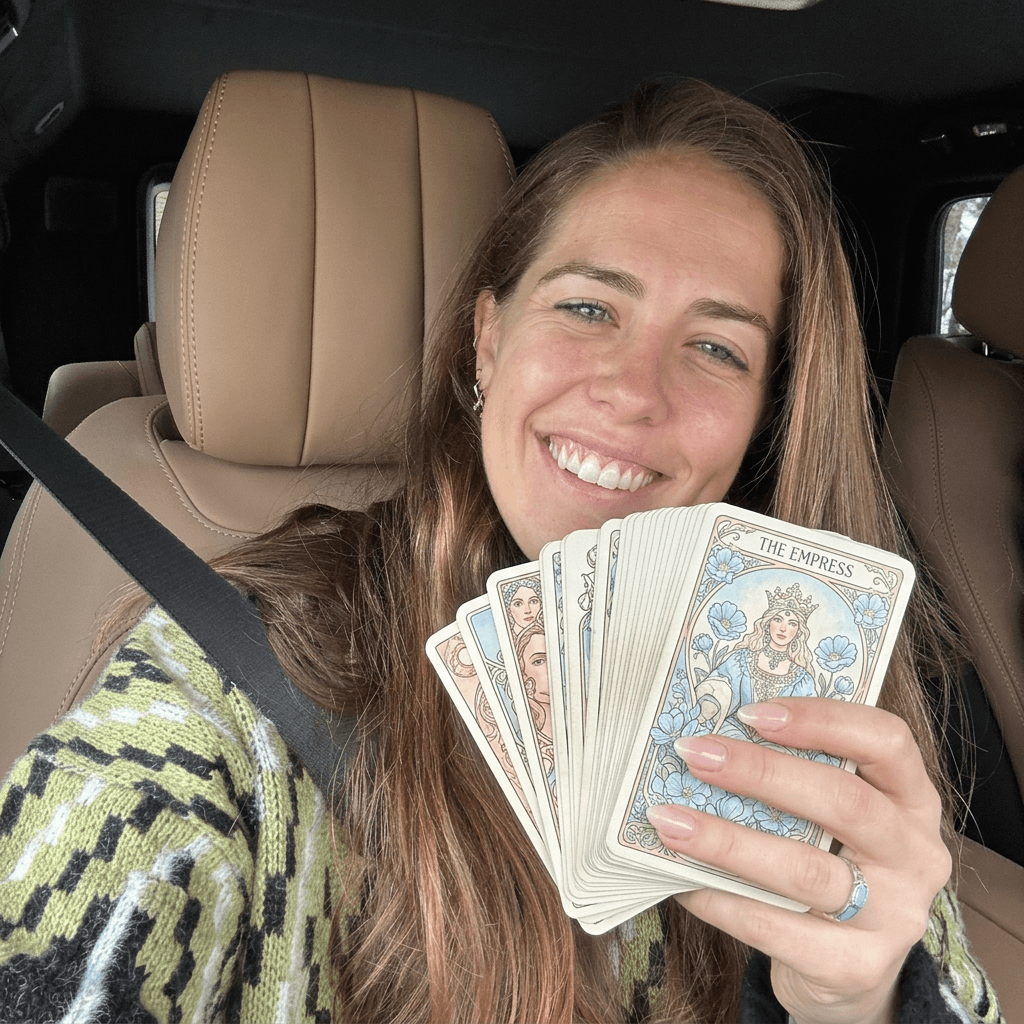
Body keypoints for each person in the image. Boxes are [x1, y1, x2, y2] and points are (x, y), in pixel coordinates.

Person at [0, 79, 1000, 1024]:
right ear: (486, 341)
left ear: (761, 419)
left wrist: (860, 1002)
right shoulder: (221, 684)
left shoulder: (804, 688)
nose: (633, 390)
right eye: (587, 306)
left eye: (716, 347)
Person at [690, 583, 818, 740]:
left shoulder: (802, 678)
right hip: (734, 729)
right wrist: (711, 702)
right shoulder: (742, 659)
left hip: (776, 741)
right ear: (767, 624)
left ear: (798, 632)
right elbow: (720, 683)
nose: (783, 628)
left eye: (792, 623)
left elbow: (809, 717)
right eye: (778, 619)